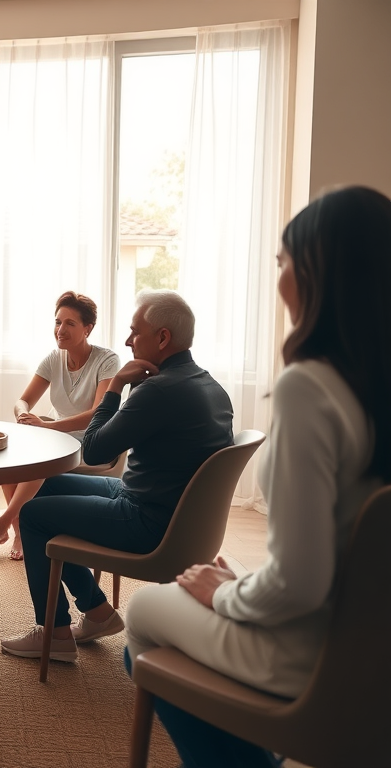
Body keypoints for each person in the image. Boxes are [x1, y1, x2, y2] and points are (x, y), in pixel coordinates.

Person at [124, 186, 391, 768]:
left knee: (145, 613)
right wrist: (243, 582)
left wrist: (226, 595)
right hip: (374, 639)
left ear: (320, 271)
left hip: (315, 649)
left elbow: (299, 583)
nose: (280, 279)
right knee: (224, 574)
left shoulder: (312, 387)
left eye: (283, 262)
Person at [0, 289, 234, 663]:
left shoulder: (158, 390)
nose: (127, 341)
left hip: (148, 519)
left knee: (32, 515)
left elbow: (94, 451)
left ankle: (56, 634)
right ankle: (97, 613)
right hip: (171, 510)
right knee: (46, 486)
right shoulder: (209, 384)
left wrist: (115, 386)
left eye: (134, 332)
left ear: (162, 338)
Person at [0, 291, 119, 560]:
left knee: (40, 448)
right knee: (11, 450)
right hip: (56, 436)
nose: (61, 329)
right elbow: (23, 400)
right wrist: (23, 415)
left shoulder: (107, 360)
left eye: (70, 323)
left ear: (87, 328)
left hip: (91, 442)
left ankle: (3, 523)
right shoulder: (53, 358)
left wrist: (48, 428)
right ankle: (18, 529)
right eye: (58, 322)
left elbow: (98, 414)